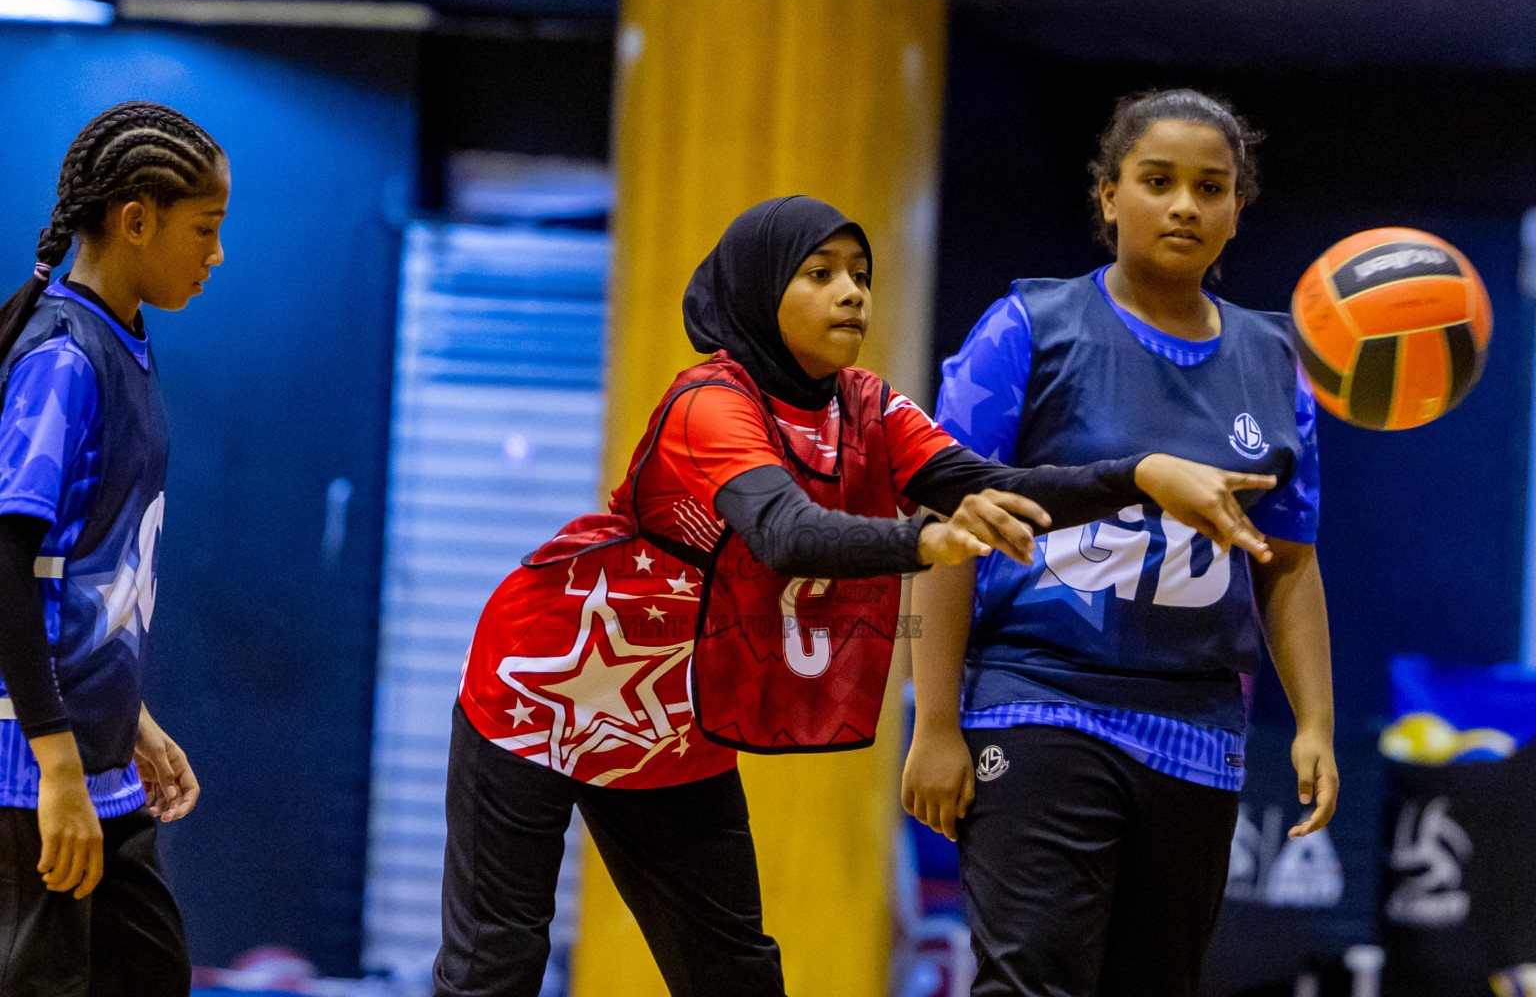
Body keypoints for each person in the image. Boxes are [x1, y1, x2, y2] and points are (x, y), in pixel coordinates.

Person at [437, 195, 1276, 997]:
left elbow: (987, 483)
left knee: (733, 970)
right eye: (820, 273)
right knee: (495, 965)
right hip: (542, 683)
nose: (851, 293)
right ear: (763, 290)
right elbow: (786, 531)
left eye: (861, 274)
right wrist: (921, 541)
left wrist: (1136, 476)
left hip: (669, 713)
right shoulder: (710, 402)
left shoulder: (866, 403)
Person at [901, 88, 1337, 997]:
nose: (1185, 204)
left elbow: (1287, 558)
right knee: (1033, 980)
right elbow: (950, 533)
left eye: (1210, 187)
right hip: (1038, 701)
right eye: (1157, 180)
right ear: (1107, 195)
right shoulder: (1027, 328)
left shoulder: (1276, 360)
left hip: (1195, 725)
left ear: (1236, 210)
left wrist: (1317, 723)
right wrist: (934, 722)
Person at [0, 100, 229, 996]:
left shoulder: (122, 338)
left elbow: (79, 576)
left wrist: (128, 718)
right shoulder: (62, 356)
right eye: (205, 229)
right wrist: (58, 761)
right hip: (31, 778)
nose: (217, 255)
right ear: (136, 219)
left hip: (99, 768)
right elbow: (7, 569)